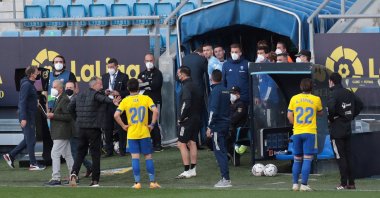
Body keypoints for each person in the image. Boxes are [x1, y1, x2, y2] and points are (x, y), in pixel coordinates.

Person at [68, 76, 120, 187]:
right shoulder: (96, 95)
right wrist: (113, 101)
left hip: (81, 129)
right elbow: (103, 100)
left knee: (80, 153)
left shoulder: (79, 94)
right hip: (94, 129)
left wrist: (77, 119)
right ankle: (95, 180)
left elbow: (70, 108)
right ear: (94, 85)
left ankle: (73, 173)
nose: (101, 86)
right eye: (100, 84)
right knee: (95, 154)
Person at [114, 78, 161, 189]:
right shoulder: (146, 98)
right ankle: (152, 182)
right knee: (148, 157)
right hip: (144, 132)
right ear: (139, 88)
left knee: (135, 158)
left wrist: (123, 126)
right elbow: (155, 111)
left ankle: (137, 183)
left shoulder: (125, 100)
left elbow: (116, 115)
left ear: (127, 88)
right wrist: (152, 125)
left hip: (132, 133)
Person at [3, 66, 45, 170]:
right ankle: (33, 164)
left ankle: (11, 155)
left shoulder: (29, 84)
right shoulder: (26, 85)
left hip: (29, 115)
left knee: (29, 139)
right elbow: (22, 102)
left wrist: (35, 102)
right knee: (31, 140)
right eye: (36, 72)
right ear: (31, 74)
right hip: (27, 116)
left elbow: (28, 100)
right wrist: (23, 118)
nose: (38, 73)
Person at [327, 72, 363, 190]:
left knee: (340, 156)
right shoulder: (348, 92)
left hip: (337, 128)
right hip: (347, 127)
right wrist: (351, 116)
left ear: (331, 81)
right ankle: (351, 183)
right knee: (348, 156)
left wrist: (331, 118)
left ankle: (343, 183)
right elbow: (360, 105)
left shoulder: (333, 93)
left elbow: (331, 108)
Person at [287, 78, 323, 191]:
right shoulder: (316, 99)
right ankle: (304, 185)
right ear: (312, 87)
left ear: (301, 87)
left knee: (297, 158)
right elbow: (320, 113)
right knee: (307, 159)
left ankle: (294, 184)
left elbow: (289, 116)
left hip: (297, 132)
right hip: (309, 132)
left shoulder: (294, 98)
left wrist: (296, 124)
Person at [45, 80, 74, 186]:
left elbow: (69, 117)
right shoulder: (59, 98)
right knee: (67, 155)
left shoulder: (64, 99)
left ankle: (56, 178)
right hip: (60, 131)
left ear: (60, 89)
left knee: (55, 153)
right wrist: (52, 114)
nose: (52, 89)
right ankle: (74, 176)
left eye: (55, 87)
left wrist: (53, 116)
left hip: (62, 132)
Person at [176, 66, 202, 179]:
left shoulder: (186, 86)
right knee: (192, 143)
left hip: (187, 120)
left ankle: (187, 170)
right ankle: (193, 170)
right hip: (197, 118)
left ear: (182, 74)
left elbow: (186, 103)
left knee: (181, 144)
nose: (177, 75)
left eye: (178, 73)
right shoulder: (196, 85)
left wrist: (181, 117)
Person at [207, 70, 232, 188]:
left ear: (212, 78)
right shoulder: (226, 90)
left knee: (220, 152)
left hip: (217, 126)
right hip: (226, 123)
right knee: (222, 150)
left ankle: (225, 179)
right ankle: (225, 178)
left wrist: (209, 126)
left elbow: (213, 110)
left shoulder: (215, 91)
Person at [101, 58, 129, 157]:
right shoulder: (104, 77)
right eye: (108, 67)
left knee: (121, 128)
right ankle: (109, 151)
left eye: (112, 67)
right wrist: (105, 92)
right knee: (107, 128)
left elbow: (128, 91)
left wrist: (119, 93)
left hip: (119, 104)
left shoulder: (124, 77)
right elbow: (101, 90)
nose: (110, 69)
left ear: (117, 66)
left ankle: (122, 150)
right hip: (107, 104)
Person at [182, 47, 209, 146]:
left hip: (186, 91)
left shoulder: (184, 59)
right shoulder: (202, 60)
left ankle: (190, 141)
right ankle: (199, 140)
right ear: (201, 53)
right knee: (198, 116)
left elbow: (178, 77)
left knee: (188, 116)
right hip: (198, 92)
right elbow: (209, 74)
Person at [65, 81, 92, 178]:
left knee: (75, 152)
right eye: (67, 87)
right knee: (76, 152)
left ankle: (76, 172)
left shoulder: (78, 98)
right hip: (69, 130)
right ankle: (89, 167)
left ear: (76, 89)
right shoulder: (64, 98)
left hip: (76, 129)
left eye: (71, 87)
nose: (68, 89)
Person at [138, 53, 163, 152]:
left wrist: (144, 83)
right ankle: (149, 142)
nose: (149, 63)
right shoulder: (141, 73)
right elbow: (138, 86)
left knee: (154, 122)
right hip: (143, 102)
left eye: (151, 60)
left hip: (155, 101)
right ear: (144, 62)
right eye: (147, 61)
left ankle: (158, 144)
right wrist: (148, 84)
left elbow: (155, 85)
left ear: (154, 61)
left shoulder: (158, 73)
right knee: (145, 122)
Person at [227, 86, 248, 157]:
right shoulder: (229, 104)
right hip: (230, 127)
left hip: (236, 129)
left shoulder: (241, 104)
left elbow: (234, 118)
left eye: (234, 93)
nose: (232, 95)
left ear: (238, 95)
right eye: (231, 93)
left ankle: (233, 154)